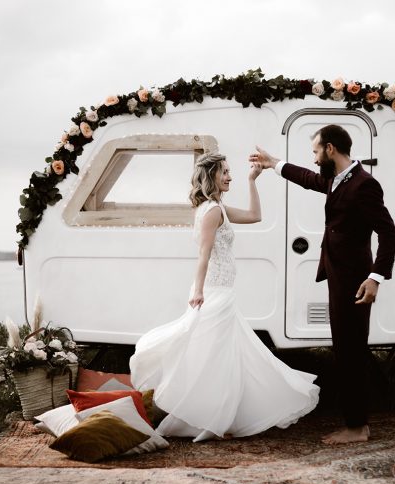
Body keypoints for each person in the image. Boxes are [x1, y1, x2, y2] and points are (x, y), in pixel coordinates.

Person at [129, 152, 320, 442]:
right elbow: (204, 254)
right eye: (225, 172)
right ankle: (210, 417)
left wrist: (252, 180)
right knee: (211, 357)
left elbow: (256, 216)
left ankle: (221, 415)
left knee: (222, 357)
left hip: (223, 291)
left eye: (230, 172)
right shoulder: (212, 211)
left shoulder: (219, 207)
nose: (229, 176)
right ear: (211, 177)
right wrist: (199, 291)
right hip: (213, 293)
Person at [249, 124, 395, 444]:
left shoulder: (364, 185)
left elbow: (388, 233)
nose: (315, 158)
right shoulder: (338, 179)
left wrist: (375, 277)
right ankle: (358, 422)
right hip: (339, 278)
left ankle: (356, 428)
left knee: (351, 352)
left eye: (316, 151)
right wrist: (274, 163)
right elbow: (309, 179)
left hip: (356, 283)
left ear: (331, 149)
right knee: (346, 350)